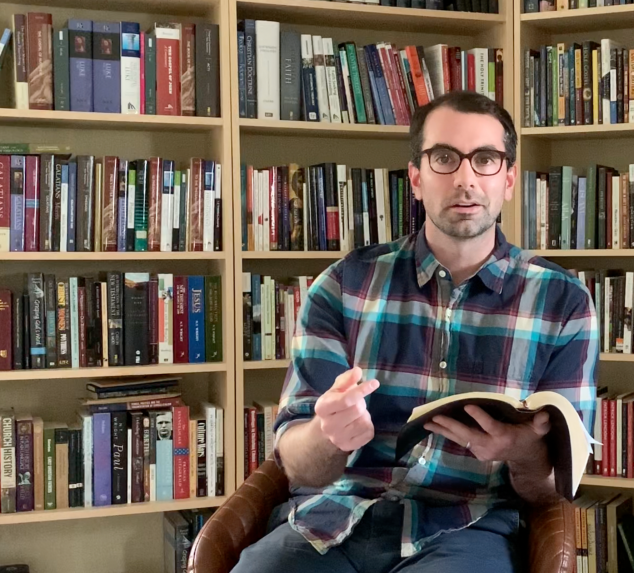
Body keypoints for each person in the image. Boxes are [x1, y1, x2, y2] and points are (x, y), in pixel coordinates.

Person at [232, 91, 599, 573]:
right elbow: (296, 463)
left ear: (508, 179)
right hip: (330, 521)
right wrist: (326, 434)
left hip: (466, 528)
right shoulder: (343, 285)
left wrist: (524, 453)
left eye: (485, 159)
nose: (466, 179)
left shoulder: (563, 303)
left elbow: (554, 489)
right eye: (445, 158)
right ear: (417, 178)